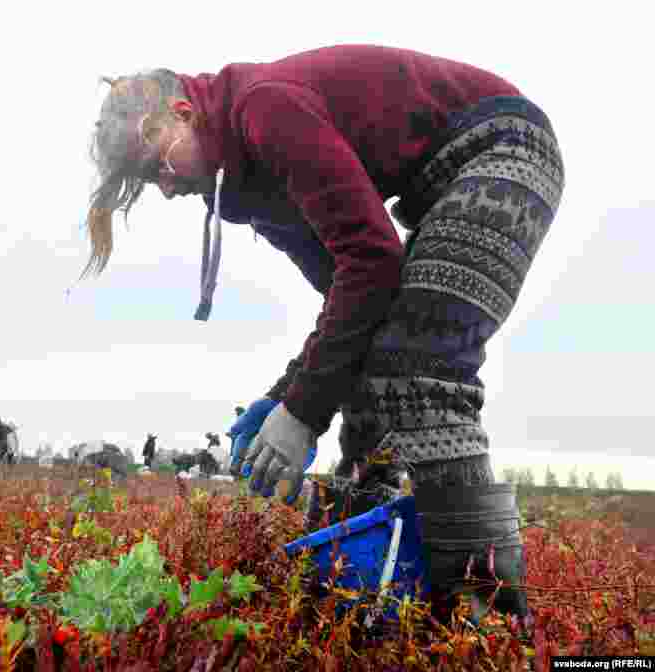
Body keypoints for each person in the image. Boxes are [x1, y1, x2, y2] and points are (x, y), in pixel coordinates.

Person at [81, 44, 563, 622]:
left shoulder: (265, 111)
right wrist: (286, 397)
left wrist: (304, 412)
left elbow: (374, 263)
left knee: (421, 369)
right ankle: (370, 586)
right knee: (372, 364)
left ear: (184, 112)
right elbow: (351, 297)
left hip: (501, 146)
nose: (165, 187)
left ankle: (488, 613)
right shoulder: (248, 192)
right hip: (440, 187)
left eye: (158, 163)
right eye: (146, 180)